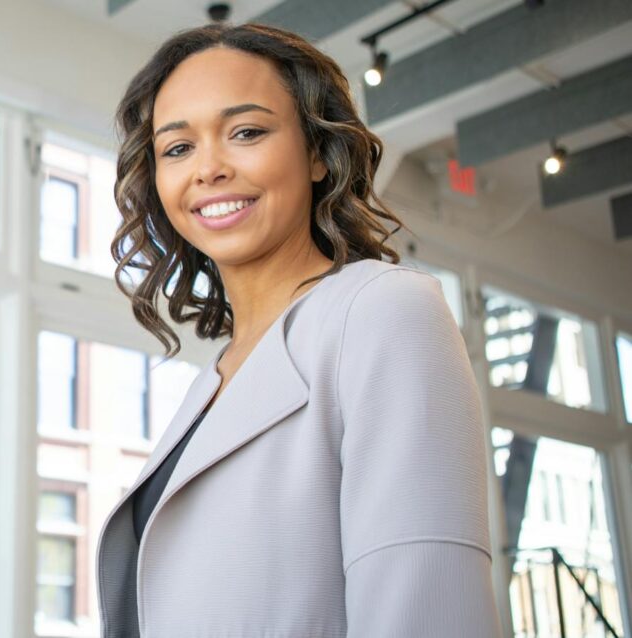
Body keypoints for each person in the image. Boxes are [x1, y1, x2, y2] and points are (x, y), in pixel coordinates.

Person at [96, 24, 501, 637]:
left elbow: (428, 611)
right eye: (177, 148)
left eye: (247, 132)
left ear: (318, 153)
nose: (208, 169)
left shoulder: (383, 310)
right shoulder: (214, 378)